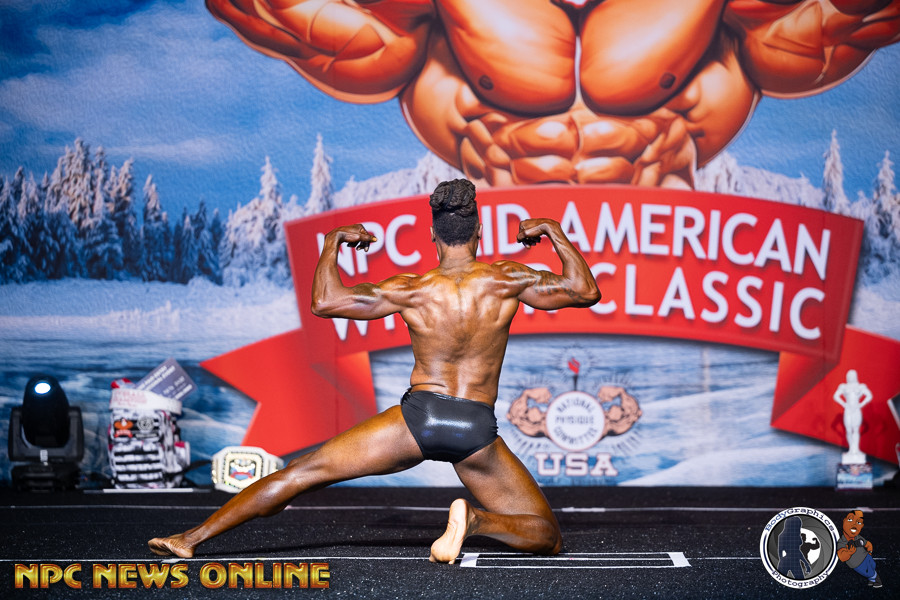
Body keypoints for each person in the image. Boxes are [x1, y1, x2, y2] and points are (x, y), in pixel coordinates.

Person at [148, 178, 600, 563]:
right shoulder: (508, 279)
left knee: (301, 473)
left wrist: (332, 242)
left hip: (420, 418)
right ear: (479, 230)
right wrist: (552, 231)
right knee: (546, 533)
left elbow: (325, 301)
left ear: (433, 236)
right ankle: (478, 520)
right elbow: (585, 291)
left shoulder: (412, 288)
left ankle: (191, 539)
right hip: (474, 429)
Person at [206, 0, 899, 188]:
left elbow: (852, 21)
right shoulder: (431, 14)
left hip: (679, 287)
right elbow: (271, 15)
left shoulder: (723, 13)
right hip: (499, 283)